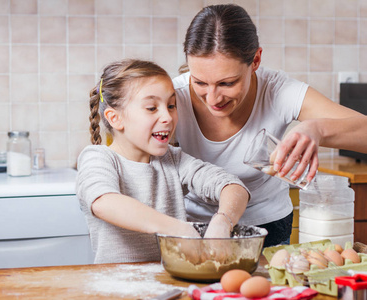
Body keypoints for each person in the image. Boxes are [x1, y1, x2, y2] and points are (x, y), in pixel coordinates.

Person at [173, 4, 367, 247]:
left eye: (227, 83)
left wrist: (316, 129)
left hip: (267, 228)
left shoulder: (278, 90)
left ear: (255, 60)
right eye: (199, 82)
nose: (212, 98)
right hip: (194, 226)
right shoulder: (173, 98)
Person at [76, 59, 250, 264]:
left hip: (169, 284)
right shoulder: (98, 158)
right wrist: (178, 228)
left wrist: (223, 221)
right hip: (116, 288)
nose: (167, 117)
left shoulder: (173, 160)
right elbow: (104, 201)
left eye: (171, 105)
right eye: (151, 108)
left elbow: (233, 186)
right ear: (115, 118)